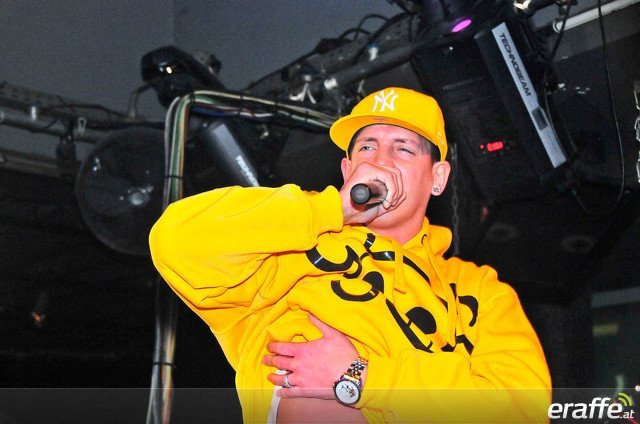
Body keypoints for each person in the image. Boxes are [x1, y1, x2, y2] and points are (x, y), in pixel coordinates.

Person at [149, 87, 551, 423]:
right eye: (367, 147)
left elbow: (524, 409)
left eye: (403, 149)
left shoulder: (479, 291)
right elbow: (175, 240)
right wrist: (333, 210)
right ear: (347, 169)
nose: (380, 160)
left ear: (438, 178)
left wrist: (360, 376)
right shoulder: (289, 244)